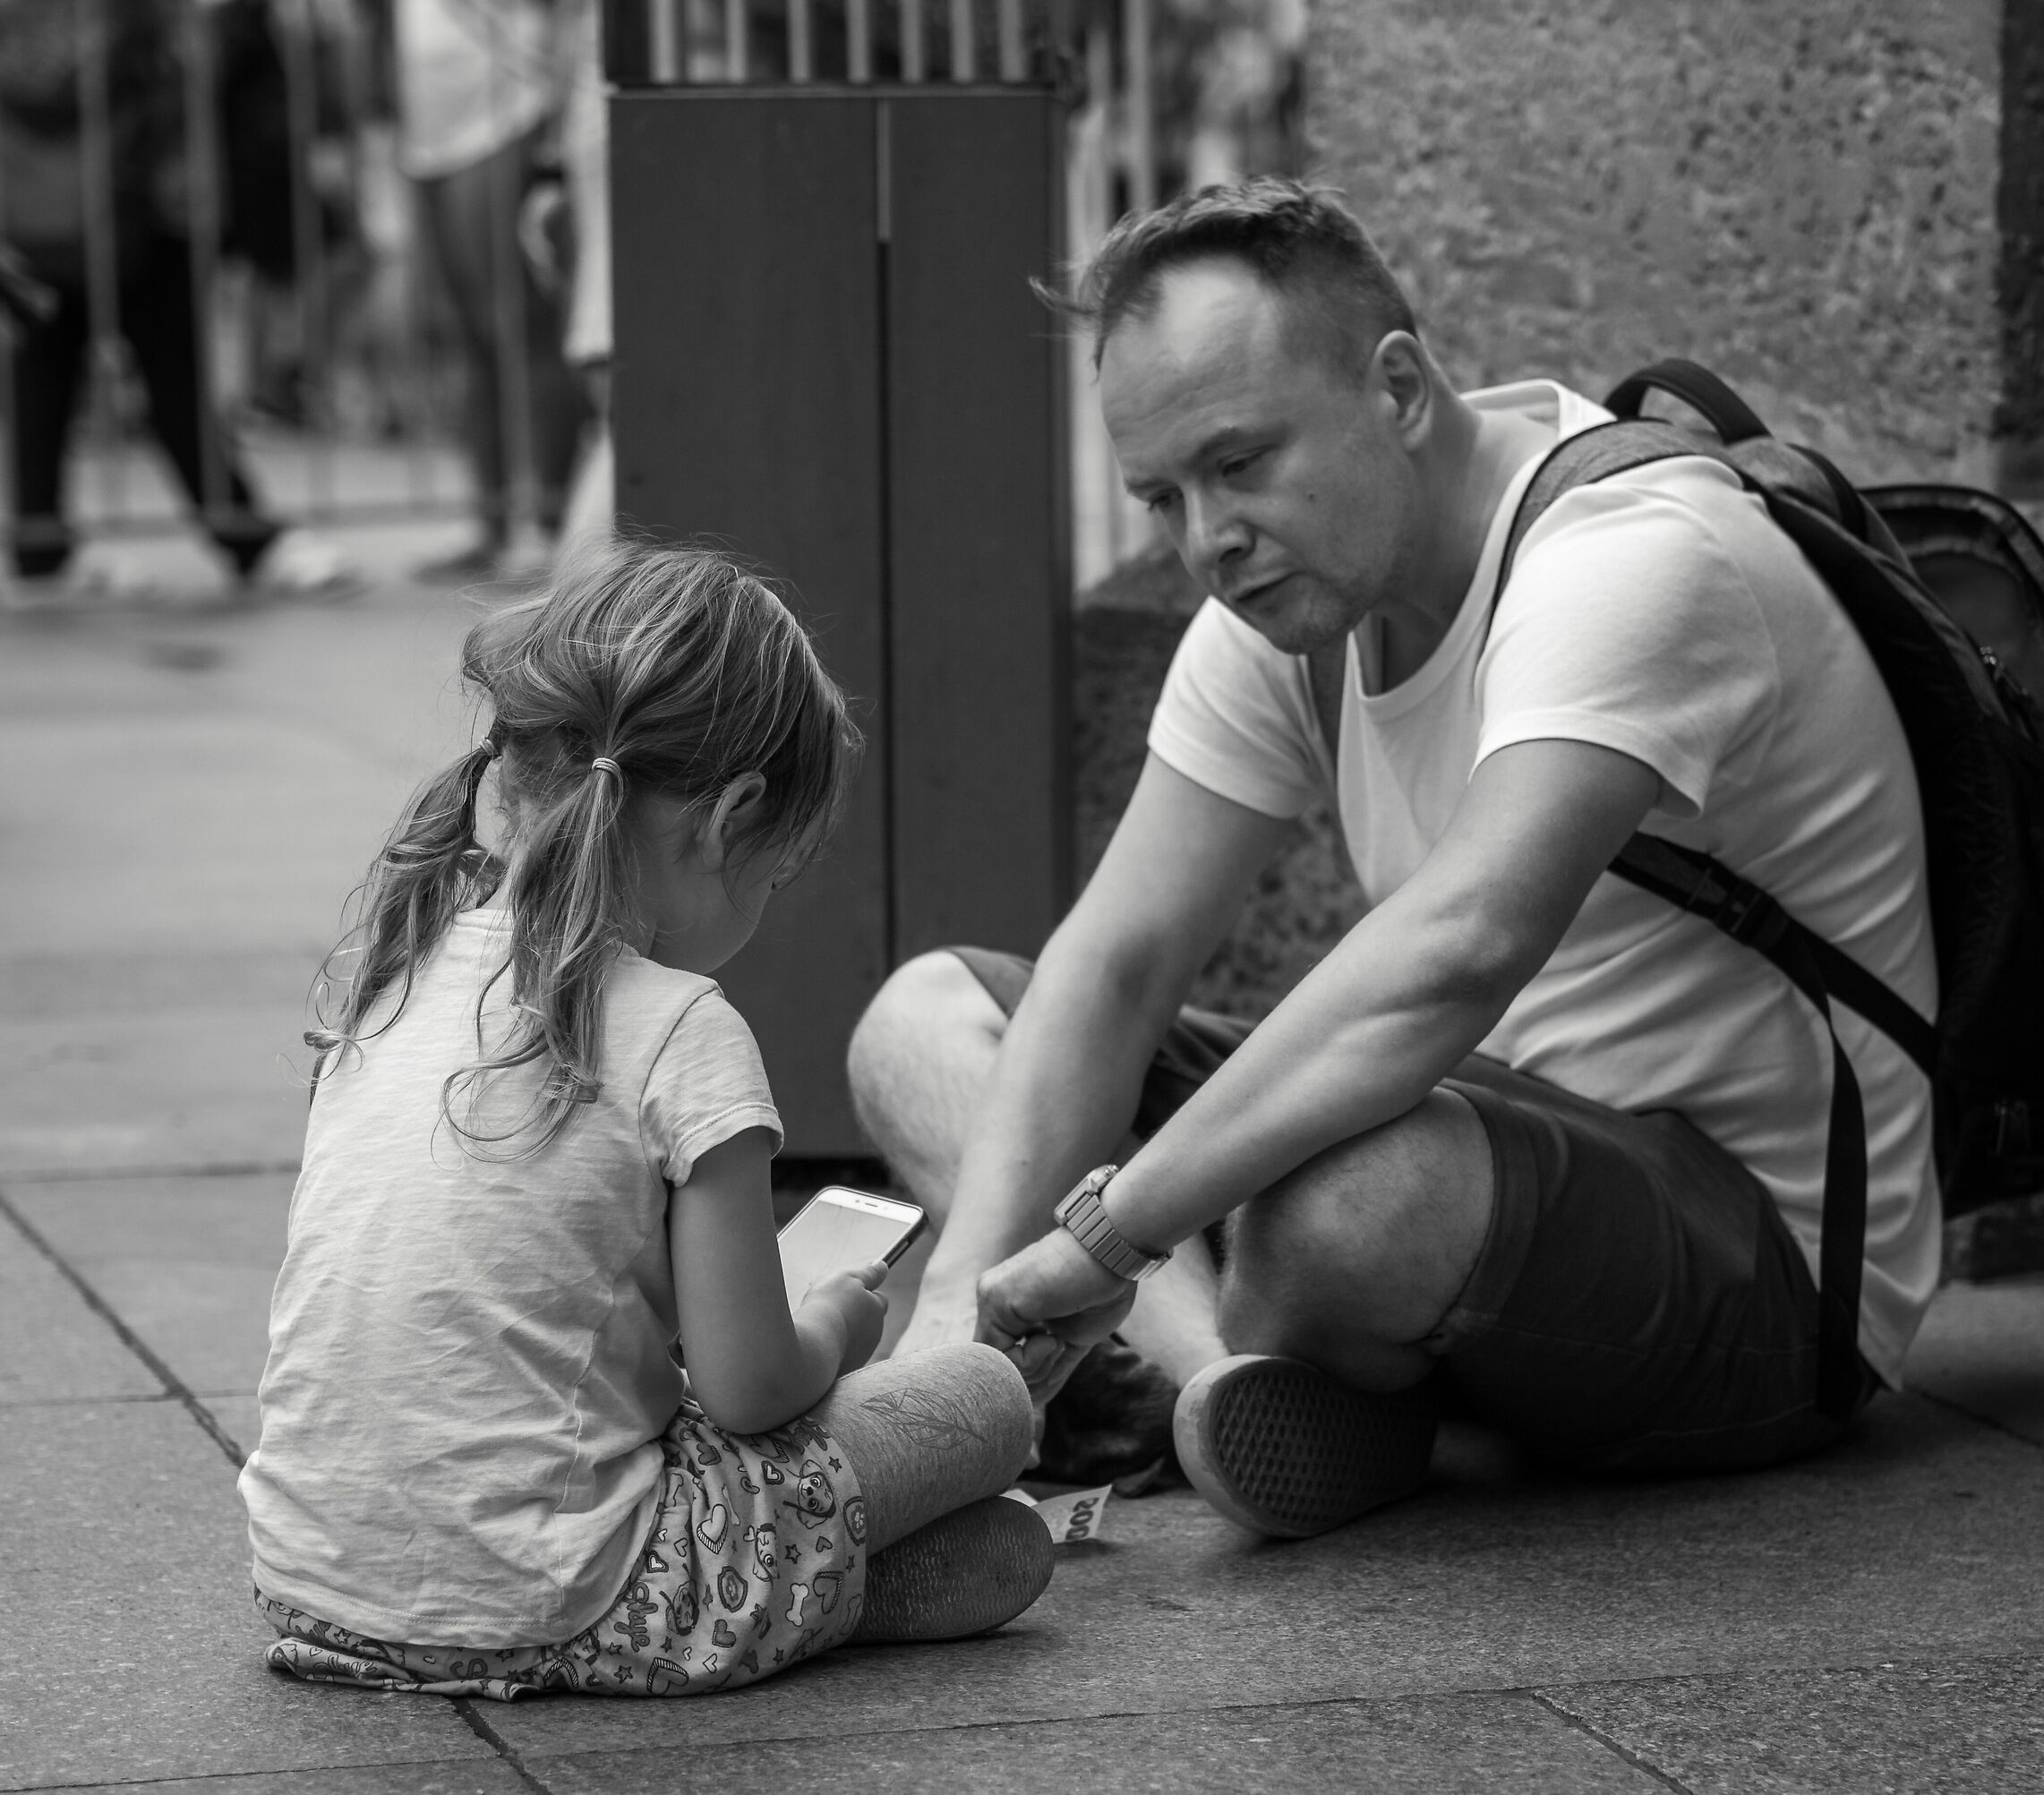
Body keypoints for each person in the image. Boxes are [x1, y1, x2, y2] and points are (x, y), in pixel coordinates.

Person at [848, 180, 1940, 1538]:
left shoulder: (1632, 559)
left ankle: (1193, 1349)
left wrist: (1107, 1232)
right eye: (1161, 497)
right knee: (928, 1023)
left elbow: (1455, 953)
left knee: (1341, 1199)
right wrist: (956, 1310)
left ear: (1401, 390)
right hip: (1490, 1161)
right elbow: (1121, 959)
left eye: (1240, 463)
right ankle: (1227, 1386)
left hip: (1766, 1271)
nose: (1207, 539)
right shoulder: (1291, 605)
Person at [240, 539, 1050, 1700]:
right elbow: (749, 1390)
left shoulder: (396, 971)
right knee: (983, 1403)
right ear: (730, 820)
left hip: (317, 1585)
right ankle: (799, 1585)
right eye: (776, 879)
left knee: (994, 1553)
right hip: (569, 1598)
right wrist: (832, 1325)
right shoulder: (681, 1026)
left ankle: (824, 1583)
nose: (765, 907)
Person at [0, 0, 348, 597]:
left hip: (38, 211)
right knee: (167, 377)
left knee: (46, 372)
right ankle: (247, 538)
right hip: (139, 203)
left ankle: (40, 546)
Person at [392, 0, 589, 580]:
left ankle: (551, 521)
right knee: (468, 337)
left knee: (521, 328)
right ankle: (493, 520)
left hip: (502, 111)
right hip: (427, 127)